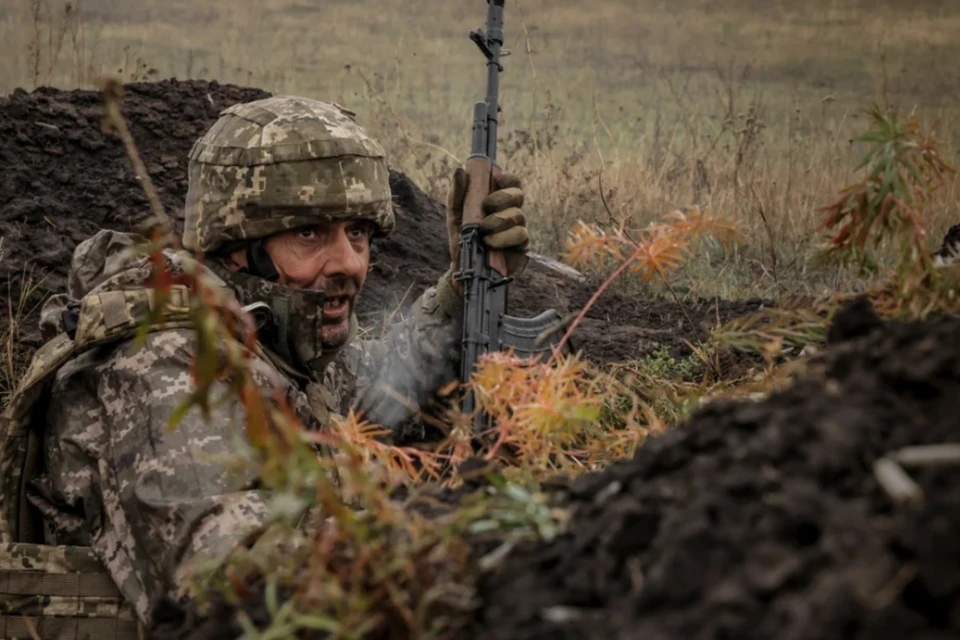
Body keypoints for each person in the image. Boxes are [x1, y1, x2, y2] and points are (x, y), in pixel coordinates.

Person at [0, 95, 530, 626]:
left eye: (358, 234)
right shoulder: (170, 373)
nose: (348, 263)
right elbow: (242, 594)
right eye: (310, 234)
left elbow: (377, 391)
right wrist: (450, 547)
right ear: (237, 246)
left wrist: (465, 290)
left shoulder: (267, 338)